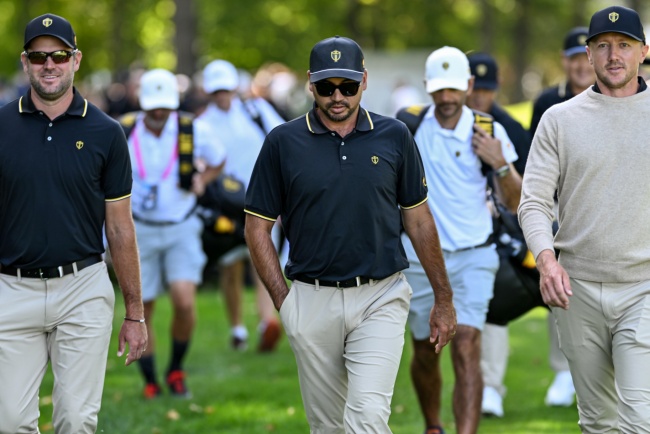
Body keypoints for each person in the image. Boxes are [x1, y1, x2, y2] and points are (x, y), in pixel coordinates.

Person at [244, 35, 457, 433]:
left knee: (368, 418)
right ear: (310, 83)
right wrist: (283, 302)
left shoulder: (394, 136)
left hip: (381, 295)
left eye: (347, 85)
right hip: (310, 298)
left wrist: (443, 298)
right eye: (326, 87)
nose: (337, 96)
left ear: (364, 80)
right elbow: (257, 226)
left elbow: (420, 220)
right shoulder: (282, 142)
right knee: (328, 427)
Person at [0, 13, 147, 433]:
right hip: (11, 288)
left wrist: (134, 313)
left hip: (82, 288)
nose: (50, 65)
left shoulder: (107, 133)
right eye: (39, 56)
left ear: (76, 60)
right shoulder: (1, 127)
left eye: (59, 55)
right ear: (25, 62)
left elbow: (120, 229)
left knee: (77, 420)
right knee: (9, 423)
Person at [519, 6, 650, 432]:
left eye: (625, 46)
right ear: (588, 55)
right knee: (597, 420)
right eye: (603, 46)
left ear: (643, 52)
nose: (614, 55)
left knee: (638, 417)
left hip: (643, 288)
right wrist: (545, 259)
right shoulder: (559, 120)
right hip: (576, 291)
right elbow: (534, 201)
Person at [399, 46, 521, 434]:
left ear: (468, 85)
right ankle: (434, 425)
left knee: (467, 344)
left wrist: (499, 162)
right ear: (427, 88)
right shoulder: (410, 130)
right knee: (425, 350)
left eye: (454, 89)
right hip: (420, 260)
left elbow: (516, 201)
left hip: (474, 256)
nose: (447, 98)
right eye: (439, 90)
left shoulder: (489, 129)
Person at [119, 69, 226, 399]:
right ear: (142, 103)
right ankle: (150, 380)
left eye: (165, 106)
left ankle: (176, 369)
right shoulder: (122, 130)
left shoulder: (191, 128)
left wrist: (202, 180)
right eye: (153, 107)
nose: (159, 113)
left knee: (184, 300)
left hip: (182, 225)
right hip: (138, 231)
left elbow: (219, 160)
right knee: (142, 307)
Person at [466, 52, 552, 417]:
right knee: (491, 309)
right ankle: (489, 388)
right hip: (479, 239)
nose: (480, 97)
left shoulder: (509, 128)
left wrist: (499, 163)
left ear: (496, 88)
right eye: (475, 88)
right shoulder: (438, 125)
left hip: (527, 230)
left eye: (486, 89)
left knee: (563, 297)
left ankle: (569, 375)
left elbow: (530, 191)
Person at [528, 26, 597, 408]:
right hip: (553, 204)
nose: (578, 64)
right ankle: (562, 371)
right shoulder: (547, 104)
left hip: (592, 205)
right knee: (559, 287)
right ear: (567, 60)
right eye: (571, 57)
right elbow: (535, 164)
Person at [198, 59, 285, 352]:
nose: (222, 95)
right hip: (225, 207)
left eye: (226, 89)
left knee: (263, 260)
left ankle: (266, 322)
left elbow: (283, 140)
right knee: (231, 266)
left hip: (262, 199)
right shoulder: (202, 125)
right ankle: (237, 328)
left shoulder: (255, 110)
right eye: (216, 90)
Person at [529, 27, 596, 137]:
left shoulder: (609, 97)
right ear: (564, 59)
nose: (582, 66)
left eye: (587, 58)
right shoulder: (546, 102)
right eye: (575, 59)